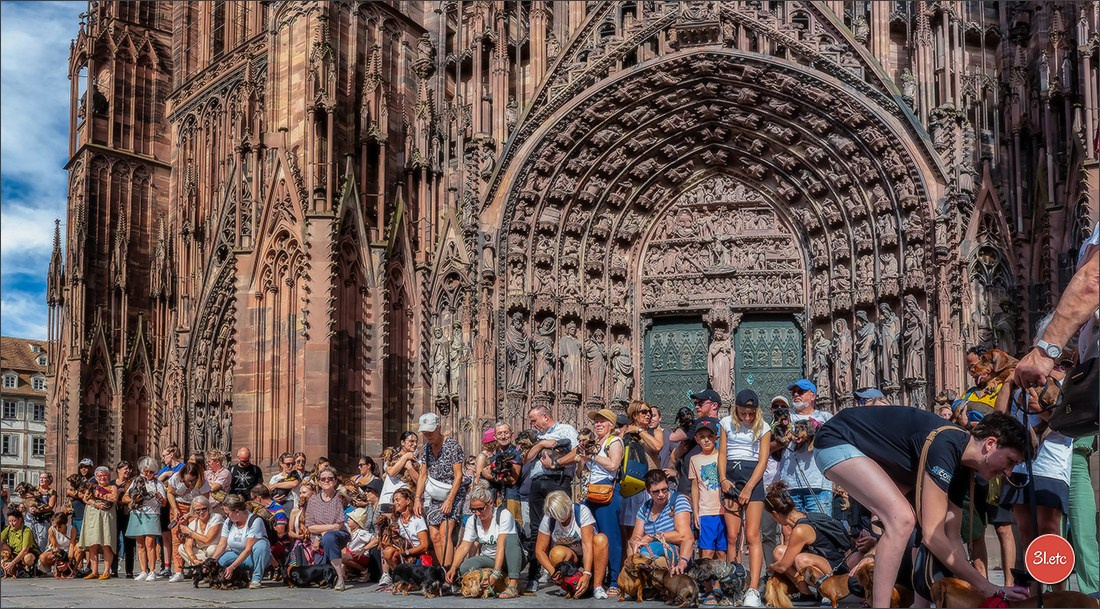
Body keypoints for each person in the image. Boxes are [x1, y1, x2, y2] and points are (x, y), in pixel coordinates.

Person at [813, 406, 1029, 607]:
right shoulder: (946, 444)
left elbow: (950, 536)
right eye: (1010, 461)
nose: (1009, 472)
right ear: (990, 444)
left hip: (877, 457)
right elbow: (933, 537)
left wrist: (977, 588)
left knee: (917, 524)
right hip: (838, 439)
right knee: (902, 519)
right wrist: (987, 587)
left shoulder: (963, 466)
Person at [1000, 386, 1073, 593]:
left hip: (1051, 467)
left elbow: (1073, 425)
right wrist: (1008, 383)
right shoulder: (1018, 389)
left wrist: (1040, 410)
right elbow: (1000, 417)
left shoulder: (1063, 384)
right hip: (1021, 466)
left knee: (1049, 534)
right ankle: (1034, 596)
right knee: (1026, 535)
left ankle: (1059, 596)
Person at [717, 389, 770, 608]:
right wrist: (722, 480)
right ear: (736, 409)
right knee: (732, 536)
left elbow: (763, 460)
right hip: (731, 476)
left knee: (752, 534)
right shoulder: (726, 423)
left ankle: (753, 589)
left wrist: (749, 487)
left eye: (751, 413)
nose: (747, 417)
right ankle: (733, 585)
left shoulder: (764, 427)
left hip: (753, 479)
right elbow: (722, 453)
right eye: (742, 413)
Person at [764, 481, 857, 601]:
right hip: (824, 561)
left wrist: (771, 567)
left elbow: (783, 567)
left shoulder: (800, 530)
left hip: (836, 569)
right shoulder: (804, 516)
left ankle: (826, 592)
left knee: (801, 560)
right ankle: (806, 593)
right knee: (779, 551)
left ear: (775, 514)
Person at [523, 404, 579, 593]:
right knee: (535, 530)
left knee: (563, 529)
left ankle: (566, 576)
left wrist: (555, 463)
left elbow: (577, 452)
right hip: (538, 484)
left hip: (559, 480)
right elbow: (527, 459)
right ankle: (534, 576)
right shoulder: (536, 437)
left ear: (545, 417)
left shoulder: (566, 430)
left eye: (534, 420)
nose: (532, 424)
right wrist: (540, 444)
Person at [447, 482, 524, 598]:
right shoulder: (472, 520)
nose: (477, 513)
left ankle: (513, 585)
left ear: (491, 504)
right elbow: (464, 546)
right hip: (489, 559)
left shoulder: (503, 515)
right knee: (464, 568)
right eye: (474, 510)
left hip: (510, 557)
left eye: (481, 509)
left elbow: (501, 545)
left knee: (511, 538)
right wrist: (453, 567)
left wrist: (496, 573)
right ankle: (487, 581)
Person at [414, 412, 468, 573]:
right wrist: (418, 498)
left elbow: (459, 475)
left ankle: (450, 572)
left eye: (430, 432)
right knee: (434, 536)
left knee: (445, 533)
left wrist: (450, 500)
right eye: (425, 433)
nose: (428, 435)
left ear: (439, 428)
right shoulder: (426, 449)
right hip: (434, 496)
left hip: (453, 493)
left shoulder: (452, 446)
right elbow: (423, 475)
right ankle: (443, 572)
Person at [534, 490, 608, 599]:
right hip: (570, 557)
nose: (561, 518)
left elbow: (587, 546)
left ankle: (597, 586)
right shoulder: (548, 518)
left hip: (589, 554)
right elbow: (539, 551)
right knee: (556, 553)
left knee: (601, 539)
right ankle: (566, 584)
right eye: (556, 516)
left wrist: (587, 573)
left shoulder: (582, 511)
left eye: (563, 513)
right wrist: (554, 573)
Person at [581, 409, 623, 597]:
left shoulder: (614, 441)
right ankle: (597, 577)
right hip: (590, 492)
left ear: (611, 425)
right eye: (596, 421)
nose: (598, 424)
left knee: (611, 537)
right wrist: (581, 459)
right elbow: (580, 471)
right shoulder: (594, 444)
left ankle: (615, 580)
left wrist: (591, 456)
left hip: (606, 492)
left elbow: (614, 465)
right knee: (594, 538)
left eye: (602, 422)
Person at [777, 380, 833, 516]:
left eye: (801, 391)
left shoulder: (825, 417)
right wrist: (785, 440)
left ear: (813, 396)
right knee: (793, 531)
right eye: (793, 392)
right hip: (790, 485)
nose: (796, 394)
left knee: (820, 530)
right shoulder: (785, 419)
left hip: (819, 484)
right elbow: (769, 448)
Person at [627, 469, 694, 574]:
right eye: (656, 491)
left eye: (664, 489)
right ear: (648, 491)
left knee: (647, 551)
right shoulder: (644, 509)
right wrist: (635, 542)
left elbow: (684, 536)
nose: (661, 494)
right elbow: (635, 536)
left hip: (674, 550)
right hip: (652, 550)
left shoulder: (678, 501)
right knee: (632, 549)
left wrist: (653, 537)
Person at [620, 401, 665, 548]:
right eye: (644, 412)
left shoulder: (654, 432)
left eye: (649, 412)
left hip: (653, 487)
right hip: (633, 487)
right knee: (630, 533)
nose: (648, 415)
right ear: (634, 414)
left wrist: (640, 431)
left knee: (654, 529)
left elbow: (657, 446)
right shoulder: (626, 434)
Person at [210, 494, 271, 590]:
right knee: (221, 561)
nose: (226, 516)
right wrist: (212, 561)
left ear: (237, 512)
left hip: (252, 556)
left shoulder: (255, 521)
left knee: (261, 545)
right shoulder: (229, 522)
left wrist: (232, 567)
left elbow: (248, 549)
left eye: (227, 513)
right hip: (236, 553)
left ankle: (256, 578)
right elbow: (222, 544)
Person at [305, 466, 350, 590]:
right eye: (323, 479)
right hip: (317, 538)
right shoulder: (313, 500)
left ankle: (340, 579)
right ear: (319, 482)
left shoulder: (339, 498)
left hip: (339, 535)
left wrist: (322, 533)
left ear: (335, 481)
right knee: (321, 574)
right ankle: (334, 572)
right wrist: (322, 533)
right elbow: (310, 527)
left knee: (329, 537)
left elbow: (339, 526)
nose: (326, 481)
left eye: (330, 478)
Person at [378, 487, 430, 591]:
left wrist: (406, 552)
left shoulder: (417, 520)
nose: (395, 503)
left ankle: (410, 580)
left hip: (416, 554)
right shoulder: (397, 521)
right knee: (388, 552)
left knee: (393, 553)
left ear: (408, 501)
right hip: (403, 553)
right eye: (394, 500)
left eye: (397, 500)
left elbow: (424, 546)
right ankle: (402, 578)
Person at [124, 455, 167, 582]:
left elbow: (164, 503)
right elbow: (125, 497)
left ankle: (152, 570)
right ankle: (143, 570)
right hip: (138, 513)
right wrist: (134, 499)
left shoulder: (157, 483)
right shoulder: (136, 481)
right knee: (140, 543)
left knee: (150, 542)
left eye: (151, 472)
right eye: (145, 471)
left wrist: (159, 496)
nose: (148, 474)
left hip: (152, 513)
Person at [166, 462, 210, 582]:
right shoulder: (175, 478)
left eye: (192, 481)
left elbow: (205, 501)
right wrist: (175, 509)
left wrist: (190, 513)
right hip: (177, 506)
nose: (189, 483)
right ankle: (178, 571)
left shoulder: (203, 483)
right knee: (176, 539)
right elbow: (170, 493)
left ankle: (196, 568)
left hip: (195, 508)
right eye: (187, 480)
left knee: (190, 537)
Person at [77, 465, 118, 580]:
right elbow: (86, 498)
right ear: (96, 477)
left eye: (104, 475)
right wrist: (95, 503)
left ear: (108, 476)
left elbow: (114, 498)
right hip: (93, 515)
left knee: (106, 542)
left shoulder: (112, 487)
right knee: (93, 543)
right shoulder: (92, 487)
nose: (102, 478)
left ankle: (106, 571)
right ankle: (94, 571)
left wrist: (100, 495)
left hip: (106, 516)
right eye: (99, 476)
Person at [155, 445, 184, 577]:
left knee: (178, 536)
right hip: (164, 506)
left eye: (165, 455)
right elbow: (154, 483)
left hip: (177, 505)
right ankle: (166, 566)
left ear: (171, 455)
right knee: (165, 536)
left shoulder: (182, 467)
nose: (163, 458)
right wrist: (165, 475)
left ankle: (180, 566)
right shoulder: (165, 470)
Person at [177, 495, 223, 568]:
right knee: (181, 548)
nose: (201, 512)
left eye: (204, 509)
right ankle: (199, 566)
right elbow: (188, 545)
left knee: (211, 550)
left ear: (208, 508)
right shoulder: (193, 524)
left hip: (216, 550)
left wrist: (190, 532)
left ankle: (207, 567)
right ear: (194, 511)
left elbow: (207, 540)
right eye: (198, 510)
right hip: (202, 552)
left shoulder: (216, 518)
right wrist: (194, 559)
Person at [492, 422, 523, 525]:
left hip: (512, 497)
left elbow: (513, 480)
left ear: (512, 434)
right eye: (500, 433)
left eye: (506, 433)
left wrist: (489, 476)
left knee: (513, 526)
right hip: (497, 497)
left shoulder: (516, 452)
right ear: (495, 437)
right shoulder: (496, 455)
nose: (503, 436)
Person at [380, 431, 419, 513]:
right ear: (402, 442)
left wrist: (410, 467)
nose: (415, 444)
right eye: (411, 441)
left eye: (416, 442)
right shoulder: (390, 457)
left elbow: (419, 482)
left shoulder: (418, 462)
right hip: (388, 499)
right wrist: (405, 457)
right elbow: (391, 473)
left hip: (405, 502)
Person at [111, 460, 136, 578]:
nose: (128, 471)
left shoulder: (133, 483)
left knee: (129, 543)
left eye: (129, 469)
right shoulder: (112, 484)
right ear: (118, 470)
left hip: (128, 515)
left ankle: (129, 570)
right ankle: (113, 569)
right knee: (114, 543)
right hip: (115, 515)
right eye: (125, 468)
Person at [341, 507, 378, 583]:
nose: (348, 519)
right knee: (340, 552)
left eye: (351, 519)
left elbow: (376, 539)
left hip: (361, 556)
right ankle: (343, 575)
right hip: (351, 554)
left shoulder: (361, 533)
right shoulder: (348, 530)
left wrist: (364, 549)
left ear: (357, 522)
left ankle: (364, 570)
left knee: (341, 558)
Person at [39, 512, 80, 577]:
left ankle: (74, 570)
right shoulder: (51, 530)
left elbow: (72, 545)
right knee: (42, 557)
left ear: (65, 524)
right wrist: (60, 558)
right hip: (58, 551)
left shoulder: (72, 529)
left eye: (60, 526)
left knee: (79, 547)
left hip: (69, 549)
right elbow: (55, 546)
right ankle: (56, 568)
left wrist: (68, 560)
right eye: (55, 526)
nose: (57, 529)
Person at [25, 472, 58, 551]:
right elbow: (24, 496)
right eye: (40, 477)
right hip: (30, 518)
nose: (42, 479)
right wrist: (30, 505)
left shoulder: (51, 492)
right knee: (28, 539)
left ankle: (41, 559)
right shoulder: (34, 489)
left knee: (41, 541)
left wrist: (39, 510)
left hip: (42, 519)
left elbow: (50, 506)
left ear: (48, 480)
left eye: (44, 478)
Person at [1, 510, 38, 577]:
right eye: (9, 521)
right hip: (13, 554)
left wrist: (13, 563)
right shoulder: (9, 529)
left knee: (28, 558)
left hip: (26, 554)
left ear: (20, 520)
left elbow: (25, 550)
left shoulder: (26, 530)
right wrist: (2, 559)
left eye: (14, 521)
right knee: (3, 546)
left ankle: (28, 569)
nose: (11, 523)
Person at [67, 459, 94, 535]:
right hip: (76, 514)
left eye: (86, 467)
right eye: (81, 467)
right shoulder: (80, 479)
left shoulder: (93, 480)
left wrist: (71, 492)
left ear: (91, 468)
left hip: (85, 515)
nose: (83, 469)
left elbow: (84, 495)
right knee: (75, 537)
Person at [204, 450, 231, 516]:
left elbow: (213, 488)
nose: (207, 464)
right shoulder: (207, 473)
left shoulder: (225, 473)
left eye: (209, 462)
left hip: (218, 507)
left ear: (217, 462)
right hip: (206, 506)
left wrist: (204, 482)